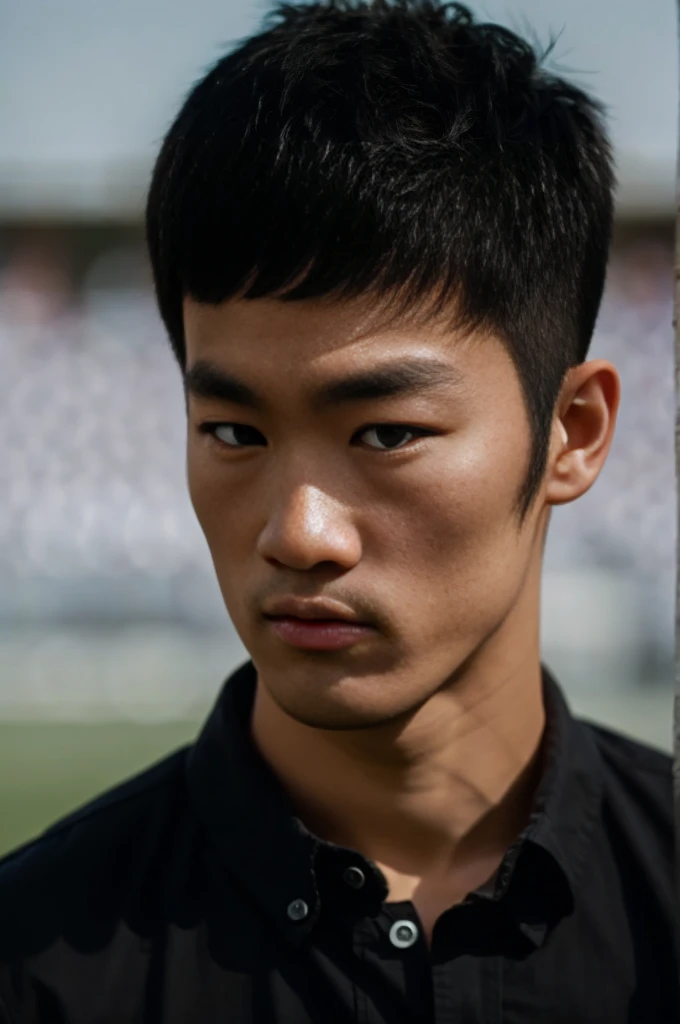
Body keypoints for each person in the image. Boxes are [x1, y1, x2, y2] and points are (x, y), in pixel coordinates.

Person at [1, 1, 677, 1020]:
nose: (298, 532)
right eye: (233, 432)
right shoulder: (34, 960)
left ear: (570, 432)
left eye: (386, 434)